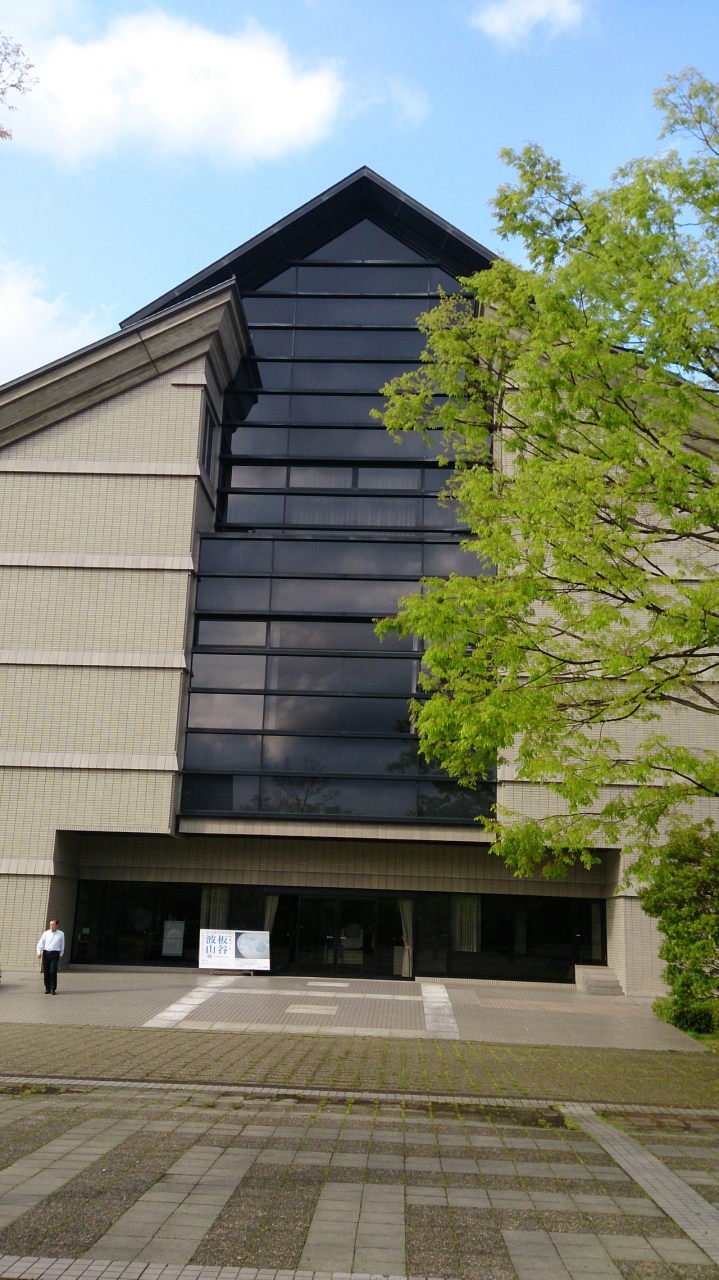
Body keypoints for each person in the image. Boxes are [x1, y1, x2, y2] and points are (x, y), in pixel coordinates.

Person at [36, 918, 64, 994]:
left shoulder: (61, 934)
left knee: (52, 971)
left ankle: (53, 988)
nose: (51, 926)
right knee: (46, 971)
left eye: (53, 925)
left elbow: (62, 945)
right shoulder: (46, 933)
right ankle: (47, 988)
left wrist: (61, 954)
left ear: (57, 925)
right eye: (50, 925)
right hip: (46, 953)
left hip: (55, 953)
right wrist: (39, 952)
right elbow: (40, 944)